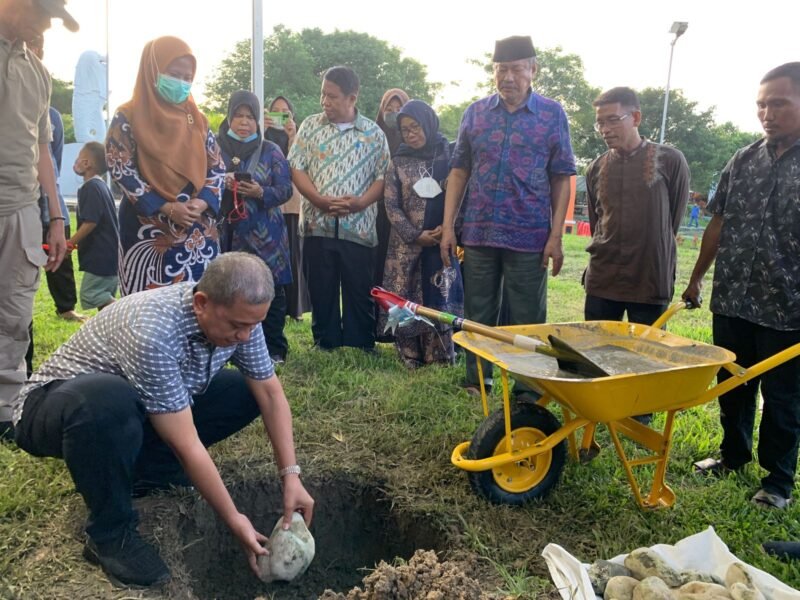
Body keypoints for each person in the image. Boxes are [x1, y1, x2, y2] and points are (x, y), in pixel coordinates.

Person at [12, 252, 315, 586]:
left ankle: (146, 473)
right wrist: (234, 519)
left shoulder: (240, 314)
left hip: (134, 408)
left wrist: (291, 477)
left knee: (246, 391)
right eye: (237, 326)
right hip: (52, 409)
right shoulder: (152, 331)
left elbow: (270, 394)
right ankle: (111, 534)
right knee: (109, 399)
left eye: (254, 325)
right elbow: (185, 443)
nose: (245, 336)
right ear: (201, 302)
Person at [684, 62, 800, 510]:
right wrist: (696, 278)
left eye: (779, 103)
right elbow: (718, 220)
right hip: (732, 298)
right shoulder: (743, 159)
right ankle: (733, 458)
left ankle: (777, 482)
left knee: (783, 398)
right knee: (732, 383)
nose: (767, 113)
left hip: (788, 309)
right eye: (761, 104)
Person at [440, 35, 575, 396]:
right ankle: (477, 381)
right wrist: (449, 227)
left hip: (530, 237)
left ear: (533, 71)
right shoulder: (476, 113)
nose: (508, 78)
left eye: (516, 69)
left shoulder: (552, 114)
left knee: (527, 317)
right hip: (479, 234)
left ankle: (527, 388)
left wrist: (556, 235)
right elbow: (458, 172)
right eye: (501, 70)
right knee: (477, 313)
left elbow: (562, 175)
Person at [0, 0, 76, 440]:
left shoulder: (38, 73)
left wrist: (56, 217)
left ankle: (5, 414)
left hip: (21, 209)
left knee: (13, 314)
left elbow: (42, 150)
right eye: (39, 11)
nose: (44, 22)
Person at [106, 36, 224, 296]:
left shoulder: (198, 120)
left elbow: (217, 168)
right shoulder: (128, 115)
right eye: (174, 74)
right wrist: (167, 207)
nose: (181, 82)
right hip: (148, 233)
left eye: (187, 77)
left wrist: (203, 202)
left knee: (200, 309)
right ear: (152, 70)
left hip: (198, 235)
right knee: (147, 311)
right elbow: (121, 168)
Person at [288, 66, 390, 351]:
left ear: (352, 98)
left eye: (332, 96)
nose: (325, 102)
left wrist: (362, 202)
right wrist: (317, 199)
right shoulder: (310, 126)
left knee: (359, 289)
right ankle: (326, 341)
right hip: (315, 224)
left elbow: (383, 177)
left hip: (358, 227)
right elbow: (297, 167)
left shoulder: (373, 133)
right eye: (323, 95)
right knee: (322, 288)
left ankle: (360, 343)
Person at [584, 87, 690, 325]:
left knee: (645, 356)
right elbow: (596, 224)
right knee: (593, 352)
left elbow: (671, 223)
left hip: (649, 277)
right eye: (600, 123)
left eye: (613, 120)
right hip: (603, 278)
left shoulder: (671, 160)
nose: (605, 130)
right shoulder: (595, 167)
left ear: (636, 118)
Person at [381, 100, 463, 367]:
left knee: (439, 296)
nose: (410, 134)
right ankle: (410, 354)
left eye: (415, 127)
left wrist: (447, 227)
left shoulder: (449, 157)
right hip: (405, 248)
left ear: (428, 123)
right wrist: (415, 234)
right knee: (405, 298)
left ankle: (438, 354)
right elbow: (391, 206)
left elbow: (462, 194)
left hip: (441, 244)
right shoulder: (398, 161)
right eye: (405, 130)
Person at [219, 90, 293, 364]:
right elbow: (201, 182)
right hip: (229, 235)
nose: (244, 122)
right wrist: (221, 183)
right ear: (229, 118)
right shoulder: (215, 148)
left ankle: (274, 349)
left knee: (271, 291)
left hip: (267, 237)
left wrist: (260, 192)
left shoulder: (271, 150)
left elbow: (286, 189)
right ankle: (229, 348)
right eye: (238, 116)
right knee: (228, 290)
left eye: (250, 117)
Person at [29, 34, 86, 323]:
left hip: (50, 203)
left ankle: (66, 307)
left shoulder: (51, 115)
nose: (32, 51)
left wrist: (55, 212)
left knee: (59, 258)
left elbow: (53, 159)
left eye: (37, 46)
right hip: (18, 205)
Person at [265, 95, 309, 322]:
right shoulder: (262, 136)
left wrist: (293, 135)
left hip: (291, 205)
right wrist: (260, 129)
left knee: (293, 256)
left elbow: (296, 165)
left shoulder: (298, 136)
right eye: (275, 111)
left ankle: (295, 308)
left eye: (285, 112)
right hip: (268, 206)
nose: (280, 117)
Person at [374, 88, 411, 342]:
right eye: (388, 108)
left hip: (404, 220)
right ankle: (378, 330)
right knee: (376, 271)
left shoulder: (413, 143)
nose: (392, 113)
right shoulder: (374, 137)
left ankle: (404, 330)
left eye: (398, 109)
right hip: (376, 216)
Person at [69, 141, 119, 311]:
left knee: (92, 293)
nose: (75, 162)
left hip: (100, 257)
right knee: (103, 299)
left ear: (86, 164)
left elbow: (90, 222)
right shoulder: (102, 186)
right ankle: (109, 332)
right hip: (110, 256)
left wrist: (71, 242)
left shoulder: (90, 188)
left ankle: (121, 313)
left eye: (78, 159)